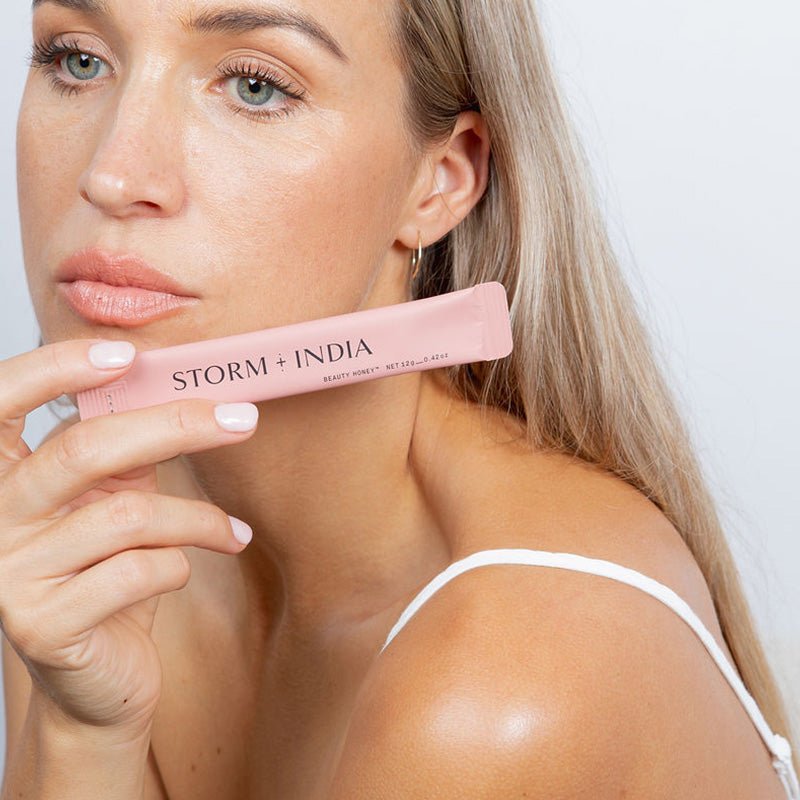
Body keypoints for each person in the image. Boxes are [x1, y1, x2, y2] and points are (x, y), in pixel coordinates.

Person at [1, 0, 796, 798]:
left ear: (440, 182)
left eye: (253, 86)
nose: (111, 174)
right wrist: (82, 731)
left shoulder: (502, 687)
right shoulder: (81, 527)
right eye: (78, 59)